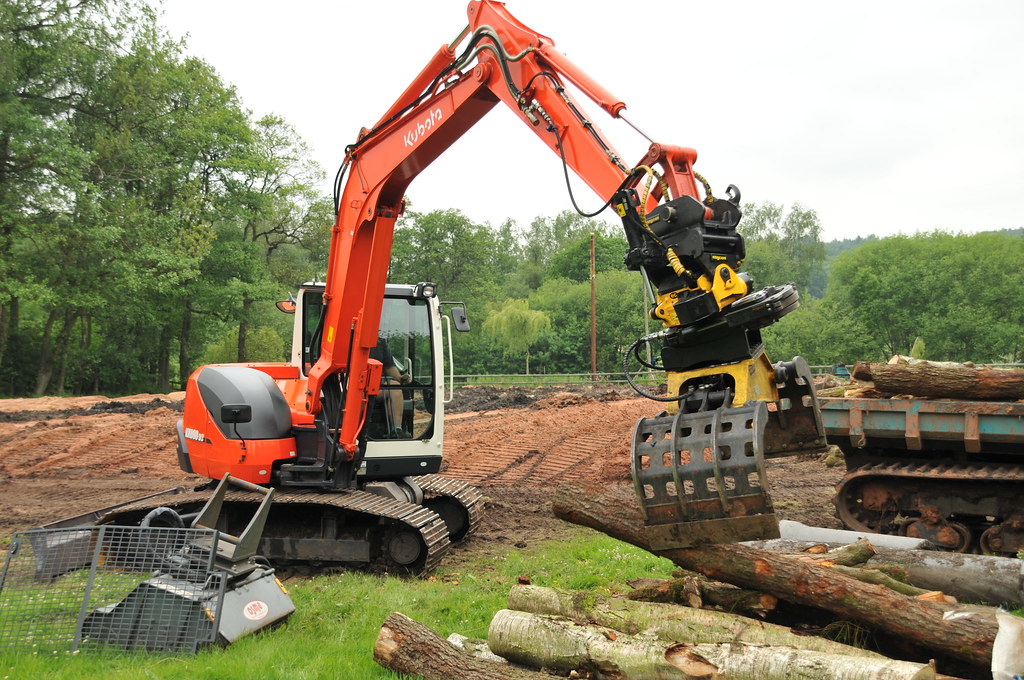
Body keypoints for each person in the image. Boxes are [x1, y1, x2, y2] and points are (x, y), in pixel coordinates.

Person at [369, 337, 411, 437]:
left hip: (375, 387)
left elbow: (389, 366)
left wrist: (400, 378)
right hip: (354, 386)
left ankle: (396, 430)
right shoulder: (348, 339)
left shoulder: (380, 342)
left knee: (395, 387)